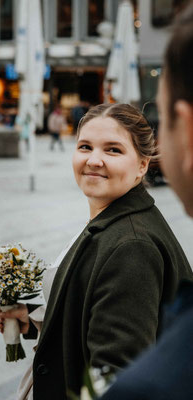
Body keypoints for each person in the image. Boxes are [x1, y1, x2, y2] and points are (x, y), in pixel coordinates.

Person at [0, 103, 192, 400]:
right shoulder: (112, 219)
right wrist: (36, 319)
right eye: (85, 146)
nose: (94, 160)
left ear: (142, 165)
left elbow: (114, 376)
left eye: (113, 150)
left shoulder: (132, 247)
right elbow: (92, 304)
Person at [99, 3, 193, 400]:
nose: (95, 159)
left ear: (187, 133)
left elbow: (115, 357)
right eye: (84, 145)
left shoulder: (155, 385)